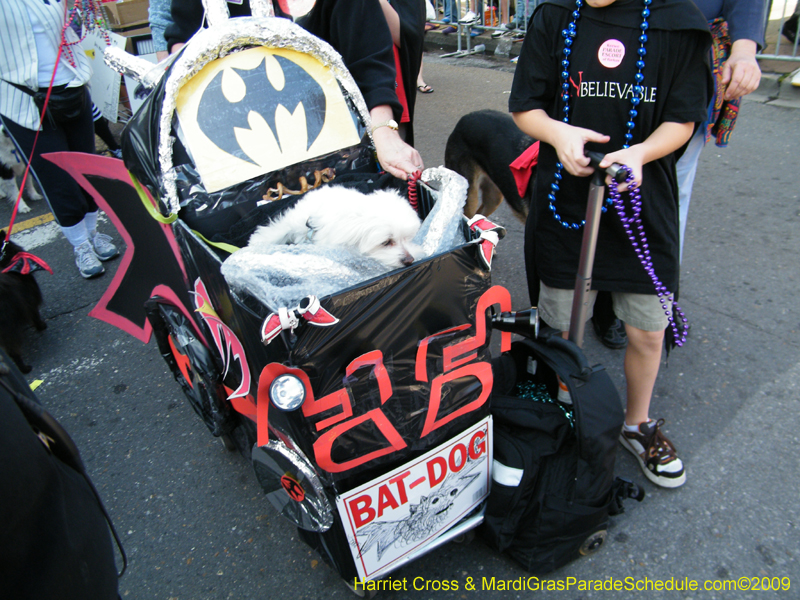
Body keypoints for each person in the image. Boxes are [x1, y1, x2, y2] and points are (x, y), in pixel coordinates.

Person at [510, 0, 712, 488]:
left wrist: (641, 153)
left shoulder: (679, 23)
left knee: (647, 330)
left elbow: (683, 118)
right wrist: (558, 134)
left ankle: (636, 423)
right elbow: (525, 107)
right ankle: (561, 417)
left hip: (644, 204)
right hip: (565, 202)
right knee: (561, 327)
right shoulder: (554, 15)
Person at [165, 0, 424, 180]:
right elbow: (182, 37)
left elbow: (368, 57)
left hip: (332, 138)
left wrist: (384, 133)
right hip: (231, 150)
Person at [0, 0, 120, 279]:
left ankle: (93, 233)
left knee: (86, 172)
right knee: (57, 180)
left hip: (73, 86)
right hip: (22, 100)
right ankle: (80, 245)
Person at [676, 0, 765, 261]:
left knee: (669, 187)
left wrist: (745, 49)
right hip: (613, 45)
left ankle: (655, 289)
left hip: (690, 59)